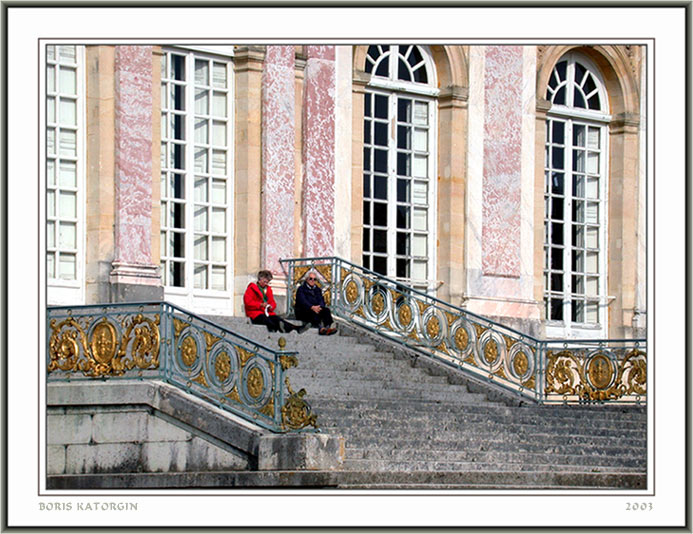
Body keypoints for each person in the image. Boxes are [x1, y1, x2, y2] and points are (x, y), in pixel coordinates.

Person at [295, 270, 337, 335]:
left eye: (314, 279)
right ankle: (321, 328)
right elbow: (302, 301)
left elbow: (321, 300)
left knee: (326, 311)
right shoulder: (301, 289)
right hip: (304, 310)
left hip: (316, 308)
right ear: (306, 279)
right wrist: (311, 307)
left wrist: (320, 307)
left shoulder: (317, 289)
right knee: (312, 312)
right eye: (310, 278)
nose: (312, 280)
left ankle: (327, 327)